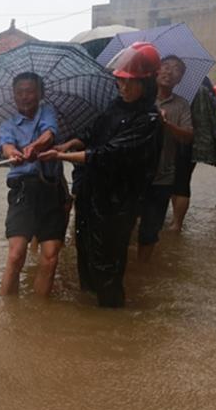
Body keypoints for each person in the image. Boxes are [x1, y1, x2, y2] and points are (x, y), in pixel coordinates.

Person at [39, 42, 162, 307]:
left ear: (148, 82)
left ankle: (110, 318)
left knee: (108, 262)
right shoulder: (116, 106)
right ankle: (89, 312)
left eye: (131, 83)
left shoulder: (149, 120)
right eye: (120, 82)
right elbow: (93, 134)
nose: (124, 88)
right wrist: (70, 144)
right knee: (84, 250)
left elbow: (107, 154)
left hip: (119, 202)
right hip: (92, 193)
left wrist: (61, 157)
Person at [0, 72, 67, 297]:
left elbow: (49, 135)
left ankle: (39, 317)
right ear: (14, 95)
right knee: (16, 254)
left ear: (39, 94)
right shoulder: (6, 125)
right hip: (23, 191)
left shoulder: (47, 112)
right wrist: (14, 153)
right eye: (20, 92)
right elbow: (6, 146)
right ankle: (7, 313)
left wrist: (33, 148)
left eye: (30, 91)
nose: (25, 97)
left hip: (51, 189)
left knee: (50, 256)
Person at [136, 55, 192, 263]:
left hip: (163, 175)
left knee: (151, 228)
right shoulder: (140, 98)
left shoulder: (182, 105)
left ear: (180, 80)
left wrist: (167, 125)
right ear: (156, 71)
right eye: (166, 66)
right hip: (134, 173)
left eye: (176, 70)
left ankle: (143, 270)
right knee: (126, 222)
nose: (169, 71)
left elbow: (188, 136)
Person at [168, 77, 216, 231]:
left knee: (175, 180)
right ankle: (177, 222)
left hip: (179, 138)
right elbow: (214, 109)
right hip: (196, 140)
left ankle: (176, 222)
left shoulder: (178, 90)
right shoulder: (205, 88)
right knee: (183, 181)